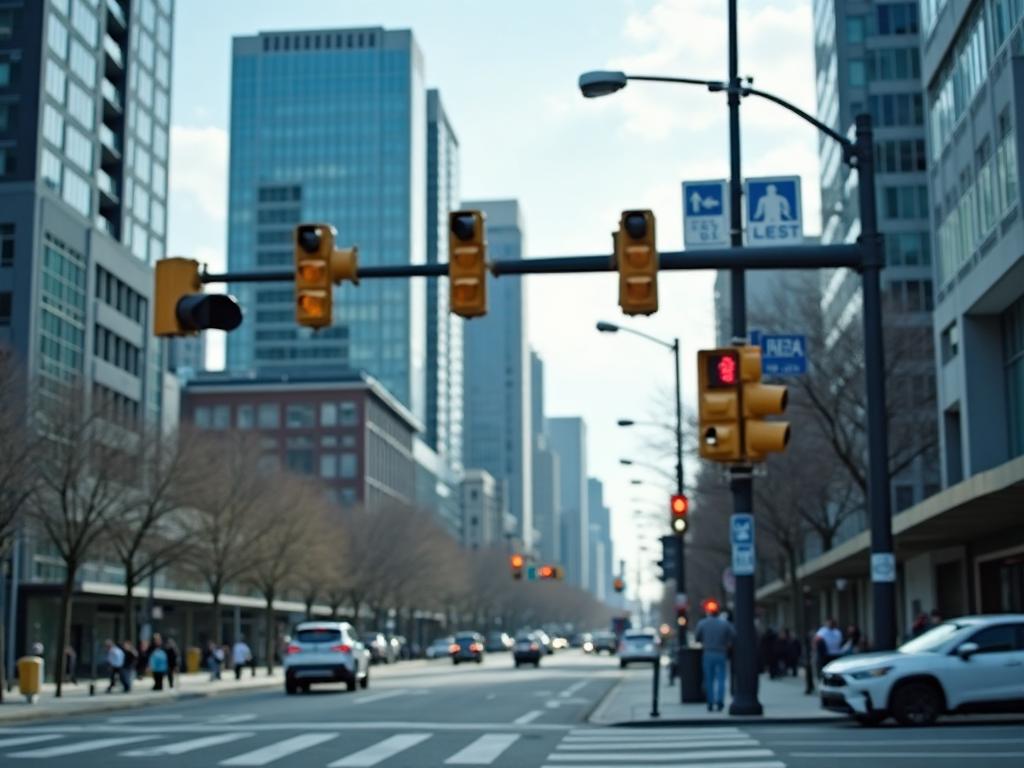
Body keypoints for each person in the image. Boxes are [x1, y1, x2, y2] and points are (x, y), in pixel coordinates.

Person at [695, 602, 736, 712]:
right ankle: (720, 701)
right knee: (721, 679)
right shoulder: (725, 624)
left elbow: (697, 638)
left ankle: (710, 702)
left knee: (709, 679)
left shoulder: (702, 623)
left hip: (708, 653)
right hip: (721, 653)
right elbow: (733, 636)